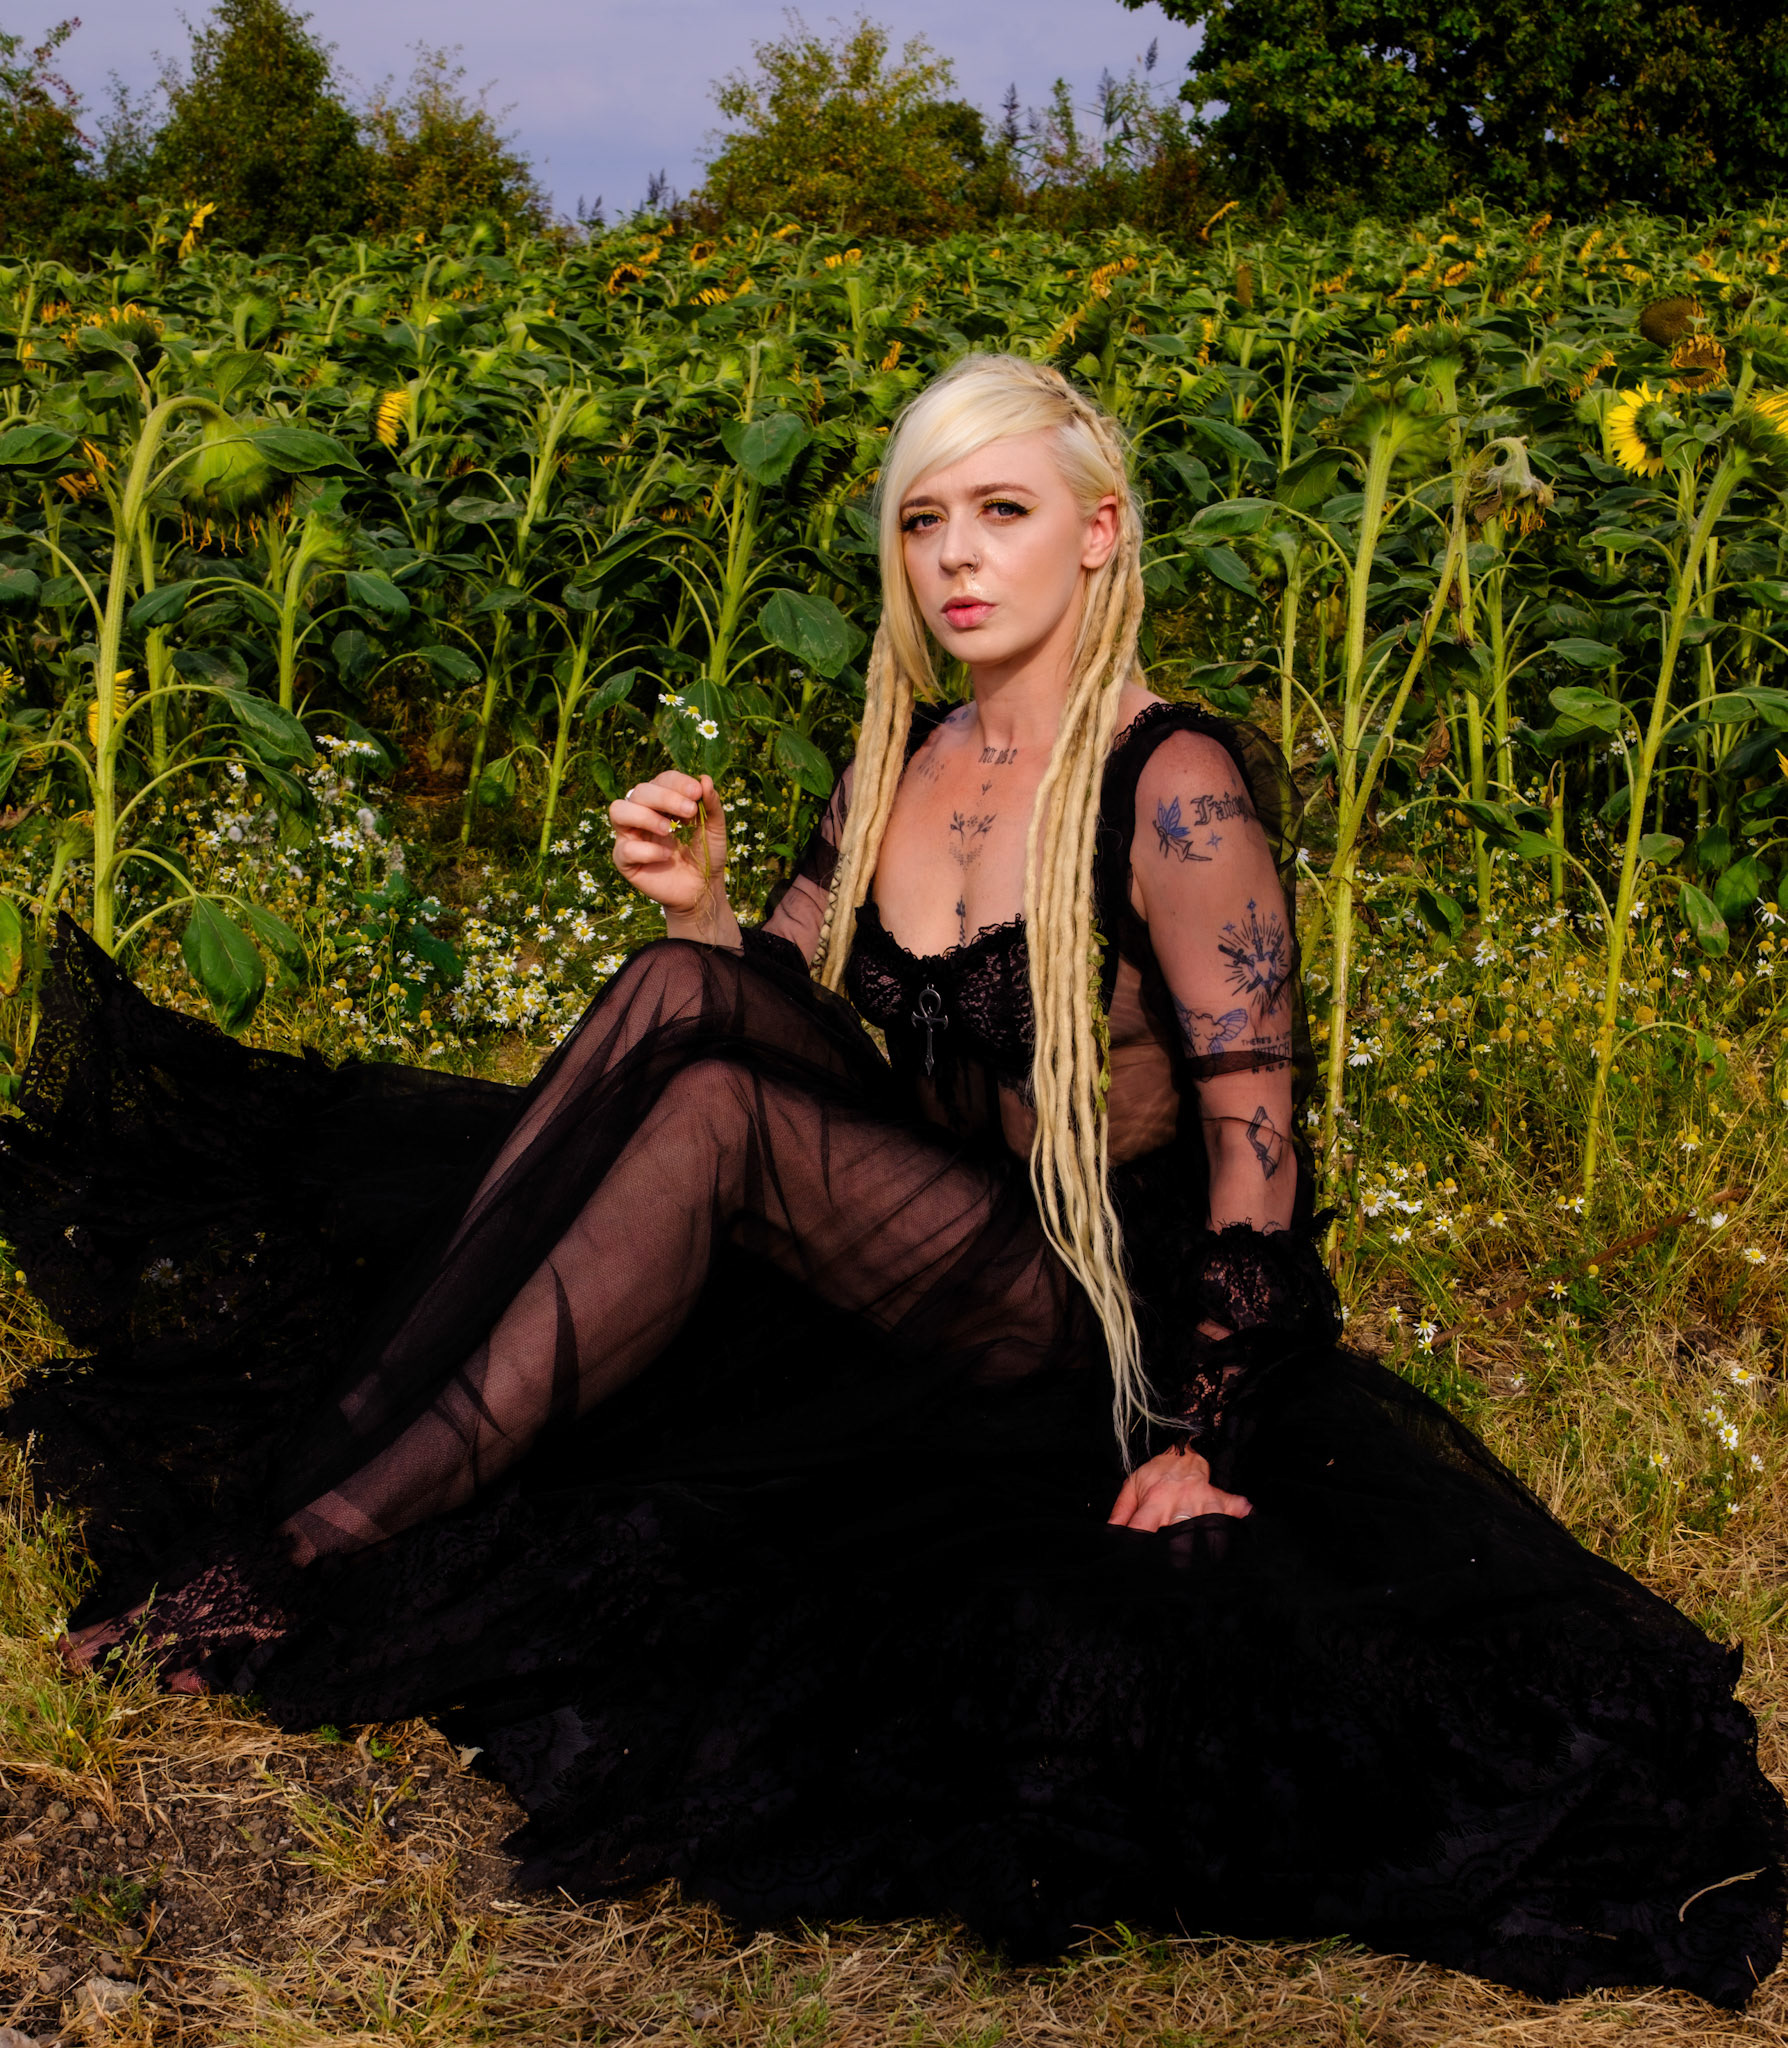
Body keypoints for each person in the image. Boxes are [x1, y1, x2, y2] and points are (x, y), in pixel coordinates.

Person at [1, 355, 1782, 2007]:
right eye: (924, 521)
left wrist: (1199, 1435)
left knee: (693, 1081)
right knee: (679, 992)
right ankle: (329, 1486)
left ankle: (303, 1542)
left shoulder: (1172, 785)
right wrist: (706, 907)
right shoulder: (906, 756)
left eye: (1002, 511)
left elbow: (1261, 1138)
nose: (956, 557)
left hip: (1096, 1307)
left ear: (1100, 532)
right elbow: (774, 1020)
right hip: (926, 1247)